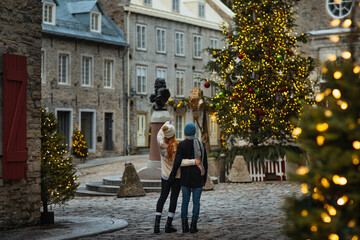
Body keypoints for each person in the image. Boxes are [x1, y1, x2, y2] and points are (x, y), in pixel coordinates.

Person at [154, 120, 200, 234]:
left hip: (165, 176)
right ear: (174, 135)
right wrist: (194, 161)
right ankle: (168, 224)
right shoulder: (175, 147)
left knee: (162, 197)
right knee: (173, 199)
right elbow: (180, 162)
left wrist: (165, 124)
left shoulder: (160, 143)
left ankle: (156, 225)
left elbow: (159, 133)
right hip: (176, 176)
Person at [169, 123, 208, 234]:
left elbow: (177, 162)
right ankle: (193, 225)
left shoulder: (182, 145)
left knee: (185, 201)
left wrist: (172, 174)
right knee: (196, 202)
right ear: (194, 132)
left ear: (185, 133)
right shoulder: (201, 144)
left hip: (185, 177)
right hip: (198, 177)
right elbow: (205, 163)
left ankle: (184, 225)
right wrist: (204, 177)